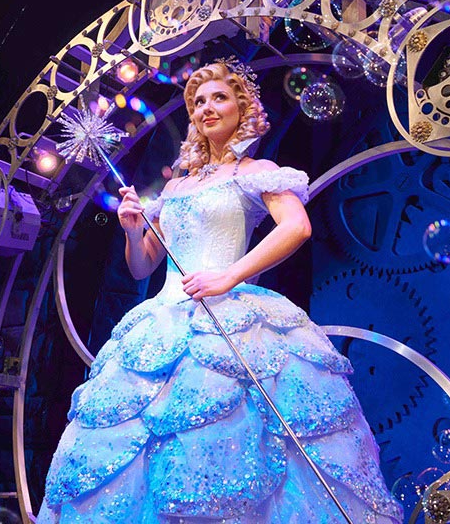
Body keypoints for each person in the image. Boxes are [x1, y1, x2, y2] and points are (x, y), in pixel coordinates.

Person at [37, 59, 404, 523]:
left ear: (241, 107)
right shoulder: (175, 187)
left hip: (230, 315)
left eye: (218, 98)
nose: (207, 108)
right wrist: (132, 231)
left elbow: (297, 226)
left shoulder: (255, 171)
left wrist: (229, 276)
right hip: (162, 323)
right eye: (198, 101)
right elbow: (142, 266)